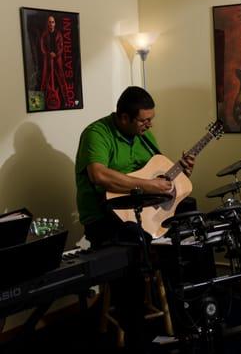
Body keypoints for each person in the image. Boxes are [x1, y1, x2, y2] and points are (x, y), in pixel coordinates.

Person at [75, 86, 195, 352]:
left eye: (151, 119)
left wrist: (177, 174)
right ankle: (137, 339)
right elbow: (99, 175)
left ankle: (191, 317)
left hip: (141, 213)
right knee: (131, 254)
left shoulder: (144, 136)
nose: (149, 125)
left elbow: (157, 172)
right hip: (104, 219)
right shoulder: (97, 134)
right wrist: (149, 187)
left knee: (192, 222)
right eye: (143, 120)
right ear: (123, 117)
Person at [40, 15, 69, 110]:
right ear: (47, 23)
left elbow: (61, 47)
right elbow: (43, 47)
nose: (51, 24)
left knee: (61, 80)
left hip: (57, 61)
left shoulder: (58, 34)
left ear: (55, 23)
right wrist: (49, 53)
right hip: (48, 61)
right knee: (44, 81)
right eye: (49, 22)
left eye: (52, 22)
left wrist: (56, 54)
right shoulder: (44, 35)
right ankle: (40, 103)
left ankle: (67, 102)